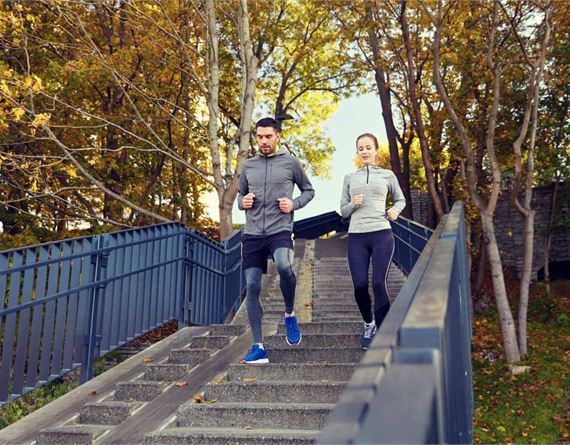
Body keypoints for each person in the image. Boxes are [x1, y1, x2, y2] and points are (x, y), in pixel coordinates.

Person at [237, 117, 315, 363]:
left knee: (283, 265)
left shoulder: (290, 163)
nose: (263, 141)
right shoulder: (249, 165)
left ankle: (290, 313)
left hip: (280, 229)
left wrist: (294, 204)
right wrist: (243, 202)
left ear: (277, 136)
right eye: (259, 137)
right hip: (252, 234)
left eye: (268, 136)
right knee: (252, 286)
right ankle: (258, 346)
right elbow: (240, 196)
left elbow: (309, 190)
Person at [340, 133, 406, 350]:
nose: (365, 151)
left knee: (378, 282)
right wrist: (353, 204)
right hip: (357, 236)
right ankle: (369, 324)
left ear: (376, 150)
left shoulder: (387, 175)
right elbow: (343, 210)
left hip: (381, 234)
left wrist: (394, 211)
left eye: (368, 147)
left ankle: (384, 331)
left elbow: (401, 199)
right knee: (360, 285)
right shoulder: (350, 178)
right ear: (357, 152)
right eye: (361, 148)